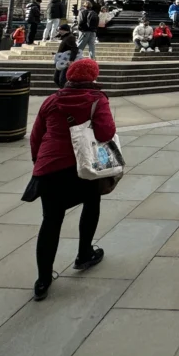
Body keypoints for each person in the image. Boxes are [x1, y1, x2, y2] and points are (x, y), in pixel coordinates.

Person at [28, 58, 114, 301]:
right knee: (92, 203)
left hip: (50, 168)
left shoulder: (52, 100)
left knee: (51, 221)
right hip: (83, 166)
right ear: (93, 78)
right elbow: (106, 133)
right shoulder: (97, 99)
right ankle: (84, 253)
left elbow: (36, 136)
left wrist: (39, 162)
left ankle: (43, 279)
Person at [54, 23, 78, 88]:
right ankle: (63, 91)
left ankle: (64, 92)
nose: (59, 31)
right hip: (61, 60)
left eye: (60, 30)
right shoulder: (66, 37)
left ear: (65, 30)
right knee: (57, 78)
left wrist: (71, 60)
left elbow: (75, 49)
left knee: (62, 79)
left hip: (66, 61)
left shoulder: (70, 37)